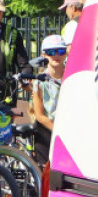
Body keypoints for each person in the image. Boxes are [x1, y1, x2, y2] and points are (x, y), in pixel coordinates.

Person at [30, 35, 67, 165]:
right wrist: (57, 130)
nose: (56, 55)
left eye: (60, 51)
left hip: (67, 127)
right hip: (47, 130)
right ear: (44, 55)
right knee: (46, 168)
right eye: (51, 52)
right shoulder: (39, 81)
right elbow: (39, 115)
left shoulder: (71, 77)